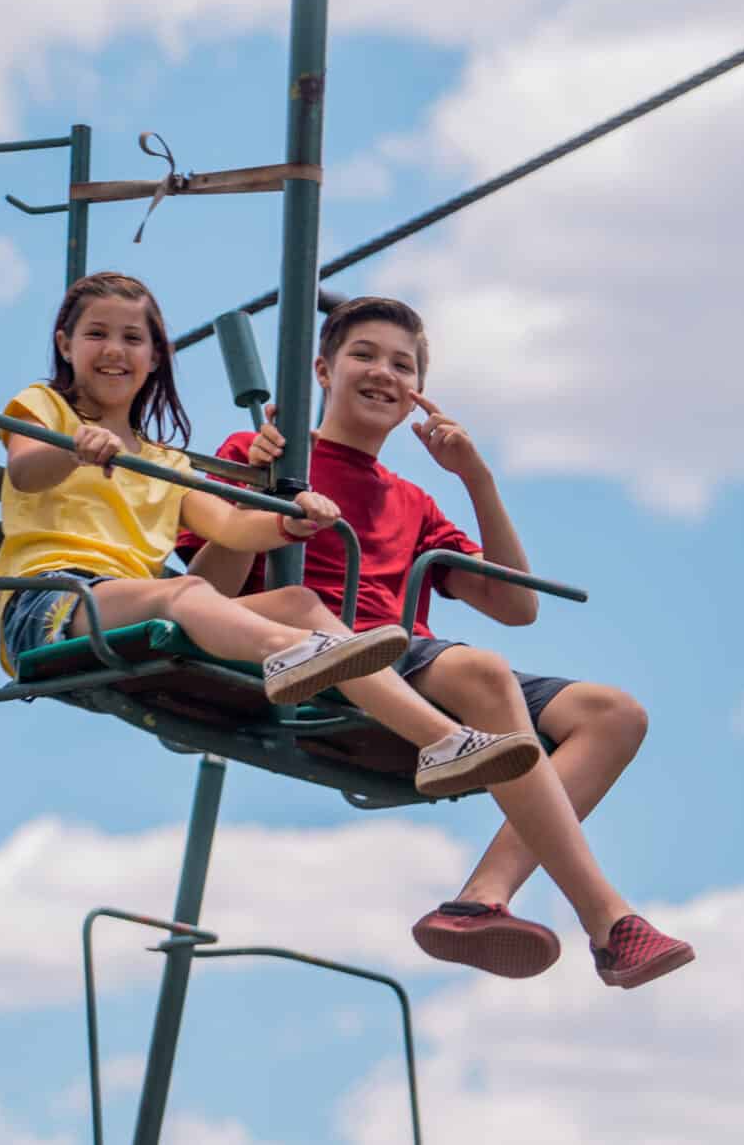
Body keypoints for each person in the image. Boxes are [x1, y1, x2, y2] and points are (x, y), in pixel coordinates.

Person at [180, 295, 691, 988]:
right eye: (364, 355)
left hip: (401, 656)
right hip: (318, 646)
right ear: (323, 369)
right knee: (480, 673)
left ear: (418, 392)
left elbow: (517, 605)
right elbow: (210, 584)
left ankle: (481, 897)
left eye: (403, 364)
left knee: (614, 714)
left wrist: (475, 477)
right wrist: (263, 495)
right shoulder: (256, 452)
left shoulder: (410, 501)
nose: (383, 373)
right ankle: (608, 918)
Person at [0, 272, 541, 799]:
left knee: (299, 601)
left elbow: (231, 525)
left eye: (132, 338)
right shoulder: (46, 409)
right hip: (54, 599)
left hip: (121, 602)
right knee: (185, 593)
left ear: (155, 356)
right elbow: (25, 470)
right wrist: (71, 447)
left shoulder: (164, 462)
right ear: (65, 345)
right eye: (97, 334)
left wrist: (288, 522)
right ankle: (290, 653)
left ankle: (443, 741)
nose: (114, 349)